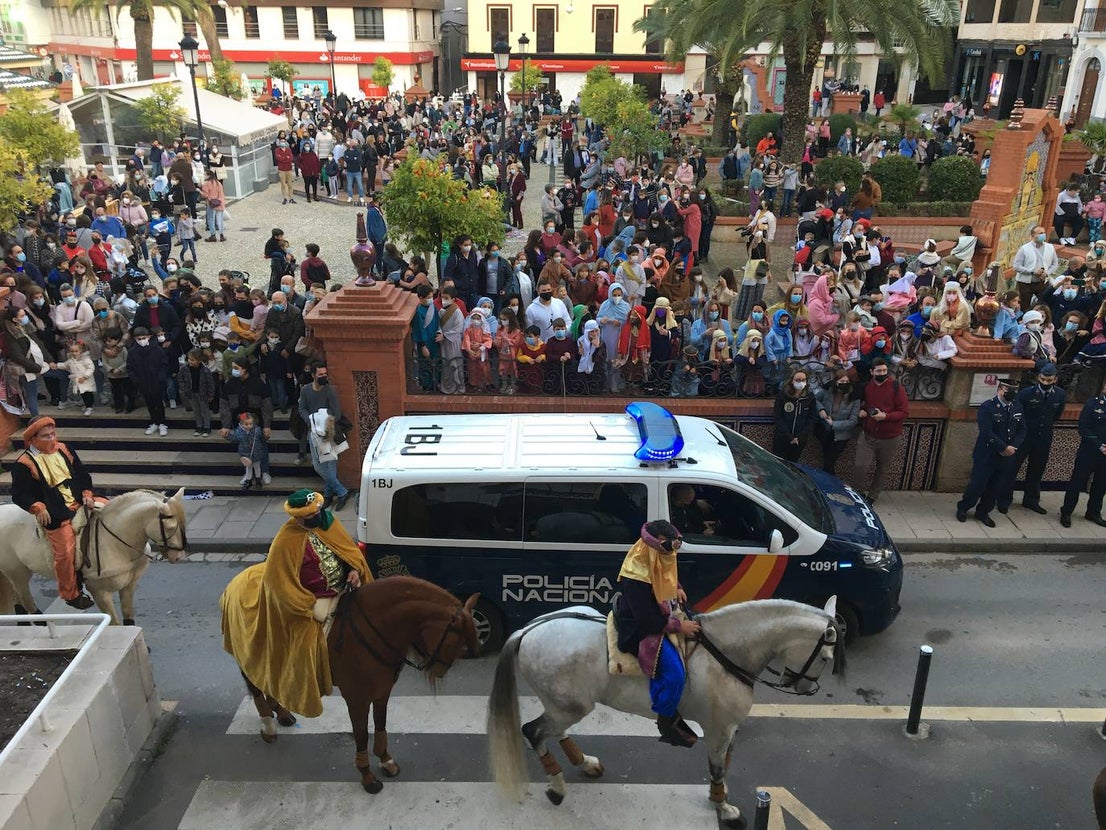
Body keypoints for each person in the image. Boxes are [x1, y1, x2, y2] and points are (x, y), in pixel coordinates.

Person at [220, 489, 372, 719]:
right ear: (298, 518)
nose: (317, 518)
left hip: (343, 586)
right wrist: (306, 604)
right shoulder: (285, 541)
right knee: (305, 644)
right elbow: (278, 584)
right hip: (311, 596)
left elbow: (349, 552)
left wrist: (354, 570)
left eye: (318, 512)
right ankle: (300, 686)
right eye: (311, 516)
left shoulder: (328, 523)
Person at [613, 519, 700, 748]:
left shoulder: (657, 555)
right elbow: (647, 619)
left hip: (663, 610)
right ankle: (666, 719)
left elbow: (667, 573)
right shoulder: (635, 576)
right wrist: (680, 627)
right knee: (675, 675)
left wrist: (678, 587)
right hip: (641, 627)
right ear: (654, 545)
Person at [10, 417, 97, 608]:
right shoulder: (24, 463)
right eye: (45, 436)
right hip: (55, 511)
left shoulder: (65, 449)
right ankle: (71, 593)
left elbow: (82, 474)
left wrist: (87, 493)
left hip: (79, 500)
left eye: (53, 434)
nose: (51, 439)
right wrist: (37, 506)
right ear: (33, 438)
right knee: (64, 552)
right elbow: (18, 494)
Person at [955, 379, 1026, 528]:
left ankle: (983, 512)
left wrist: (1013, 446)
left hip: (1006, 457)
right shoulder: (988, 407)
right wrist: (1003, 447)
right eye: (1008, 391)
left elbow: (1022, 429)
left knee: (995, 488)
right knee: (977, 486)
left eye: (1014, 391)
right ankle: (963, 508)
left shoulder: (1017, 407)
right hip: (987, 455)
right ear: (999, 390)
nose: (1011, 394)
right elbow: (986, 432)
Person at [998, 363, 1065, 515]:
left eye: (1049, 380)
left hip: (1044, 437)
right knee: (1012, 468)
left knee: (1037, 469)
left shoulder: (1060, 395)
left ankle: (1031, 500)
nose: (1045, 383)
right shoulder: (1026, 394)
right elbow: (1017, 415)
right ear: (1038, 377)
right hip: (1024, 437)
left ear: (1055, 379)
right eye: (1043, 379)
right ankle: (1003, 500)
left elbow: (1056, 415)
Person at [298, 362, 354, 510]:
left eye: (325, 374)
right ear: (313, 375)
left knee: (329, 465)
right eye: (320, 374)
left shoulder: (330, 391)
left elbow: (336, 413)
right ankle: (340, 491)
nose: (323, 377)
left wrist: (322, 419)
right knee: (318, 465)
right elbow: (302, 408)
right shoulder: (305, 390)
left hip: (328, 432)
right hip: (313, 431)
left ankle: (330, 494)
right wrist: (310, 419)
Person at [853, 358, 908, 503]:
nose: (882, 373)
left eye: (884, 370)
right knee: (860, 466)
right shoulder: (868, 386)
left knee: (883, 468)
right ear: (872, 372)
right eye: (879, 371)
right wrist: (862, 411)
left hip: (889, 437)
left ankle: (872, 496)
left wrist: (886, 416)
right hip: (868, 434)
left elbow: (903, 412)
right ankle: (857, 493)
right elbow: (864, 404)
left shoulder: (897, 388)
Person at [1059, 378, 1106, 529]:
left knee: (1100, 486)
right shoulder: (1093, 404)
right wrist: (1099, 445)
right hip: (1089, 452)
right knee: (1077, 483)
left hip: (1105, 457)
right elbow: (1084, 428)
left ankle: (1093, 512)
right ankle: (1066, 512)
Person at [1012, 225, 1059, 311]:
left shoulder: (1050, 247)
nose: (1043, 235)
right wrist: (1032, 271)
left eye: (1044, 233)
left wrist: (1047, 273)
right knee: (1024, 305)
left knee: (1043, 304)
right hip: (1025, 283)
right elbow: (1016, 266)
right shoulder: (1024, 249)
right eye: (1040, 233)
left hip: (1042, 282)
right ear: (1033, 235)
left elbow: (1055, 264)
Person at [772, 368, 816, 461]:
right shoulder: (783, 395)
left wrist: (800, 437)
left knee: (793, 463)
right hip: (782, 437)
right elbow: (778, 417)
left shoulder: (809, 397)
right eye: (798, 380)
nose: (800, 383)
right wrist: (789, 436)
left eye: (803, 380)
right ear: (792, 381)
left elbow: (811, 418)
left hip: (800, 439)